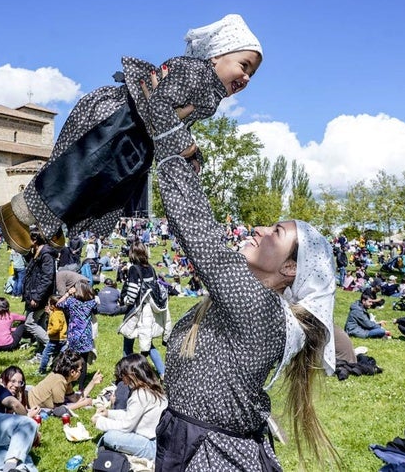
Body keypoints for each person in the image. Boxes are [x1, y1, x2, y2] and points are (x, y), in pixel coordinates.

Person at [143, 62, 339, 469]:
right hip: (189, 443)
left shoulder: (261, 310)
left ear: (290, 271)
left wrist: (167, 139)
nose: (261, 229)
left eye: (277, 233)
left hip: (212, 457)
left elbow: (200, 235)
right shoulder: (251, 303)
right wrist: (187, 154)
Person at [0, 14, 262, 255]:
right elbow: (159, 103)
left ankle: (49, 221)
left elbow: (179, 122)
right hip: (119, 123)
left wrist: (192, 153)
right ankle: (17, 213)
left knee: (98, 188)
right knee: (78, 172)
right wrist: (185, 146)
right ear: (217, 55)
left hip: (136, 139)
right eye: (244, 65)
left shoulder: (210, 92)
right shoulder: (195, 73)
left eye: (252, 73)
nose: (247, 77)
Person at [92, 354, 167, 461]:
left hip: (152, 445)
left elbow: (126, 427)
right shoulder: (152, 388)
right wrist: (108, 413)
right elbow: (130, 414)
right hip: (161, 441)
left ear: (130, 375)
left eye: (122, 375)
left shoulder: (140, 395)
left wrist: (100, 422)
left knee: (110, 437)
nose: (121, 379)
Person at [119, 241, 172, 378]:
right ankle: (162, 372)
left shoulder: (133, 269)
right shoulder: (151, 268)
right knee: (148, 343)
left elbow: (132, 293)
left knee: (128, 341)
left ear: (132, 254)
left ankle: (127, 372)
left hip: (138, 310)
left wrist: (125, 301)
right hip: (150, 310)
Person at [56, 278, 98, 391]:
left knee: (72, 359)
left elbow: (58, 304)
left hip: (74, 335)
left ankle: (68, 381)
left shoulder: (71, 301)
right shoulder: (91, 303)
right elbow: (97, 309)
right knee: (83, 361)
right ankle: (81, 387)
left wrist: (67, 294)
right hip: (86, 336)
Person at [27, 350, 103, 412]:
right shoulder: (59, 381)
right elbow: (59, 410)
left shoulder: (66, 379)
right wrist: (83, 404)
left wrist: (93, 382)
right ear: (72, 372)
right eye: (80, 370)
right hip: (29, 404)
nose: (81, 372)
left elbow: (75, 399)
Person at [22, 230, 58, 351]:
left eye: (29, 238)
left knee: (30, 323)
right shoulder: (37, 252)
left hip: (41, 296)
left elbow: (47, 278)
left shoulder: (46, 255)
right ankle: (41, 353)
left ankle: (55, 347)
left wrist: (37, 297)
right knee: (41, 324)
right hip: (35, 294)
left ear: (35, 240)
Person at [39, 295, 67, 375]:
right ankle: (60, 369)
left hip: (55, 339)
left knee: (45, 354)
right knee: (61, 355)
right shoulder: (61, 313)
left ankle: (42, 370)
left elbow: (56, 327)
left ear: (52, 306)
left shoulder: (54, 315)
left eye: (48, 304)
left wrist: (49, 332)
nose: (47, 305)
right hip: (63, 338)